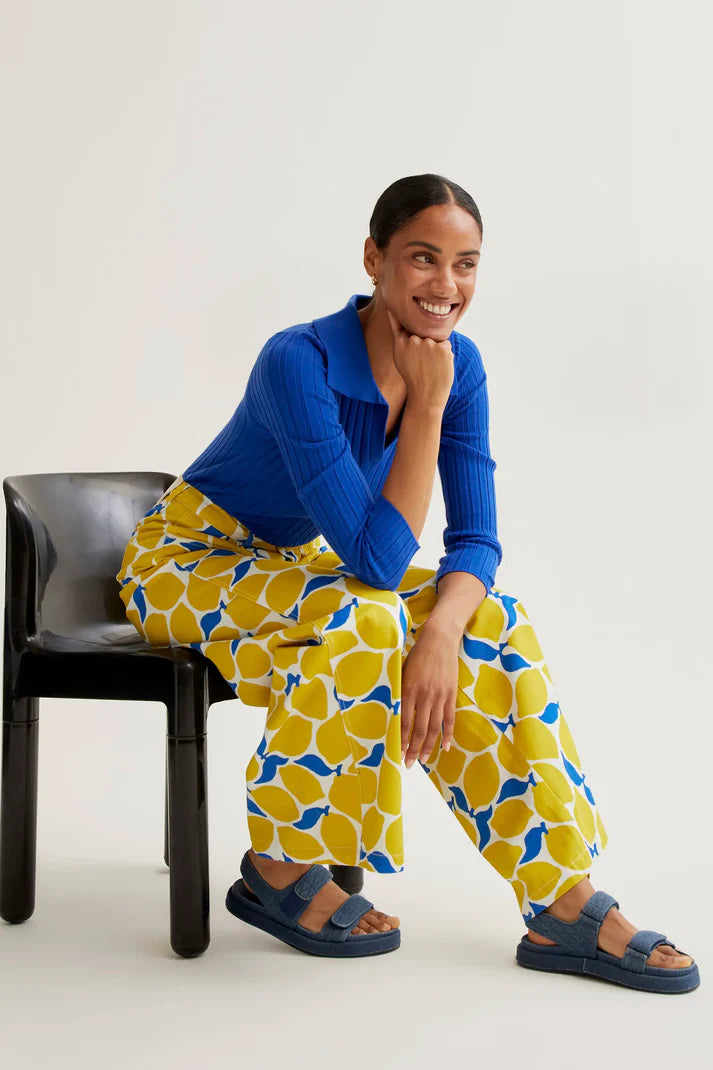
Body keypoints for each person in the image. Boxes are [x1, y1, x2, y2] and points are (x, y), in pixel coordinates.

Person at [116, 173, 699, 991]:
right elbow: (377, 564)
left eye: (466, 264)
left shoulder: (464, 364)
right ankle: (278, 864)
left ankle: (560, 898)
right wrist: (424, 407)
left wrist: (442, 632)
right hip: (181, 563)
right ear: (373, 258)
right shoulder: (298, 361)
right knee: (367, 616)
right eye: (423, 258)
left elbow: (477, 541)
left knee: (491, 619)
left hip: (284, 569)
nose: (445, 285)